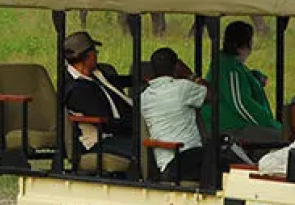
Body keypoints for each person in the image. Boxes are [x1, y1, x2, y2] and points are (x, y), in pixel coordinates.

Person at [61, 30, 134, 164]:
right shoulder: (77, 90)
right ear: (88, 56)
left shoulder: (96, 74)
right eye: (95, 52)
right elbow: (108, 123)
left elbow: (115, 81)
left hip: (119, 131)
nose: (97, 56)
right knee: (143, 150)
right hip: (101, 140)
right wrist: (137, 125)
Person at [139, 46, 208, 182]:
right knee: (221, 154)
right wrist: (190, 75)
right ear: (177, 66)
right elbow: (213, 94)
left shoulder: (145, 96)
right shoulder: (182, 88)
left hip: (166, 164)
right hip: (184, 158)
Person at [210, 20, 282, 150]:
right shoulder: (230, 68)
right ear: (243, 45)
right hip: (232, 128)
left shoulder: (230, 65)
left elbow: (237, 85)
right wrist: (269, 124)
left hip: (234, 126)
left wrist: (254, 78)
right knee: (281, 139)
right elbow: (241, 104)